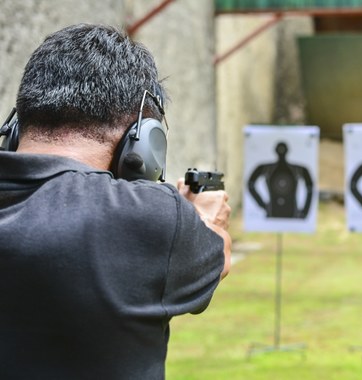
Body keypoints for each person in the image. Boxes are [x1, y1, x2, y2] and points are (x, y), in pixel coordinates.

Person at [0, 24, 231, 379]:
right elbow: (219, 254)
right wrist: (201, 215)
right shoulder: (151, 216)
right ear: (141, 143)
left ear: (15, 126)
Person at [247, 141, 314, 219]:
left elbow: (310, 188)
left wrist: (305, 211)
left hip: (287, 211)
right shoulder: (296, 169)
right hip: (276, 211)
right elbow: (250, 184)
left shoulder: (267, 168)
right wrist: (262, 205)